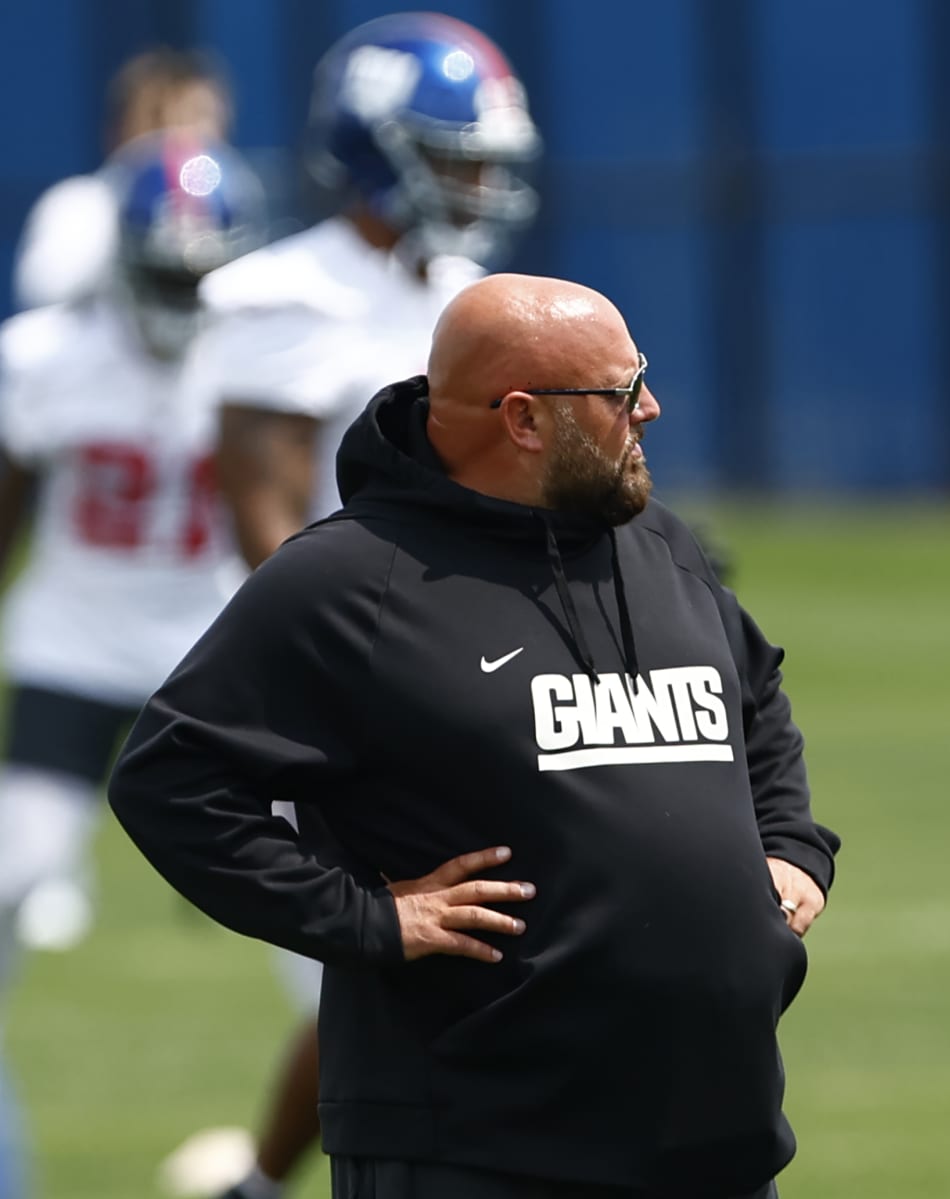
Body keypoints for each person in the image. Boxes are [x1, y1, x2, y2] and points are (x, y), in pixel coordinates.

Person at [109, 272, 838, 1199]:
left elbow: (755, 694)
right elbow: (170, 779)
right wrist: (366, 917)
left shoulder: (660, 544)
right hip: (477, 1148)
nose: (650, 408)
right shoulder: (348, 582)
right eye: (619, 393)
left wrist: (792, 846)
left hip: (715, 1140)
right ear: (525, 419)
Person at [159, 15, 543, 1199]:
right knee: (386, 966)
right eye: (451, 153)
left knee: (458, 958)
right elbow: (266, 520)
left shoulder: (462, 289)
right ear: (373, 150)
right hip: (338, 684)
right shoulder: (282, 294)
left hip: (470, 666)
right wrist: (383, 670)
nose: (477, 181)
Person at [0, 131, 264, 1199]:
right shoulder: (43, 357)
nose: (184, 292)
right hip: (73, 642)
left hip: (210, 653)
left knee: (322, 910)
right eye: (168, 268)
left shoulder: (263, 348)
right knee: (13, 880)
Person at [12, 47, 232, 311]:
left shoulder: (240, 204)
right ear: (117, 131)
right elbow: (43, 293)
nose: (182, 136)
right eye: (158, 119)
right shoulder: (84, 203)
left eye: (200, 117)